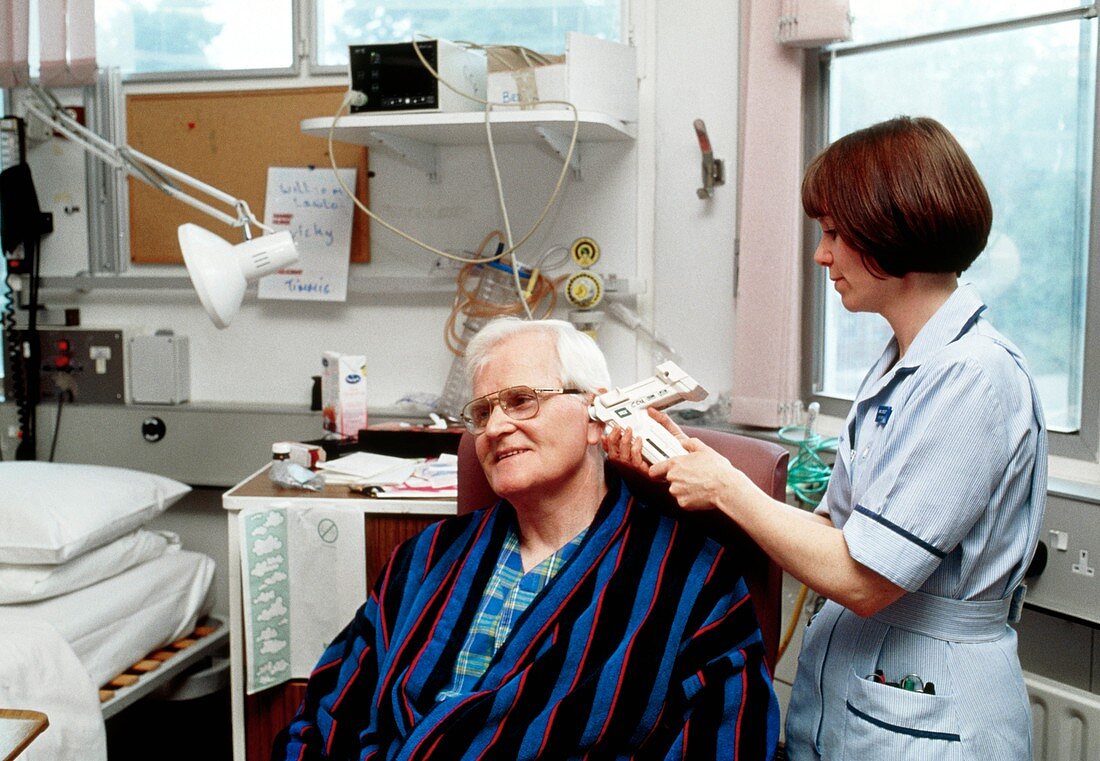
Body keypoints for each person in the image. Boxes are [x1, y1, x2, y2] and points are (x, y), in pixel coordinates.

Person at [606, 116, 1047, 759]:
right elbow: (836, 538)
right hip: (856, 695)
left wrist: (728, 488)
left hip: (932, 708)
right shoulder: (902, 364)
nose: (821, 255)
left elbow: (865, 578)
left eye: (835, 234)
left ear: (894, 228)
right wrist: (690, 464)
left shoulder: (973, 377)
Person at [274, 317, 780, 760]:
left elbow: (729, 736)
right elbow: (327, 711)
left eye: (521, 402)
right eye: (482, 413)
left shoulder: (691, 577)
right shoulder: (425, 558)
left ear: (594, 416)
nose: (495, 427)